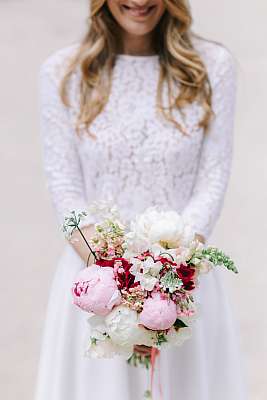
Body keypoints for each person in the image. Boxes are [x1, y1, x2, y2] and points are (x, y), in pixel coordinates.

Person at [35, 1, 246, 399]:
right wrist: (116, 282)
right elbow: (65, 188)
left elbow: (212, 179)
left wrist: (168, 279)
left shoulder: (211, 66)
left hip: (183, 284)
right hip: (93, 284)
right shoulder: (62, 72)